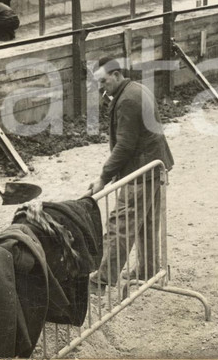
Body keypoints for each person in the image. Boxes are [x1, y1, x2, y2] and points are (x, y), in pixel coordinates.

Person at [87, 56, 174, 287]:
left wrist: (103, 178)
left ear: (117, 75)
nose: (102, 88)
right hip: (155, 167)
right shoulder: (138, 88)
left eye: (104, 82)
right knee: (147, 222)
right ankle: (147, 270)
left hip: (141, 171)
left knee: (120, 225)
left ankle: (102, 279)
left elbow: (124, 145)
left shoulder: (127, 100)